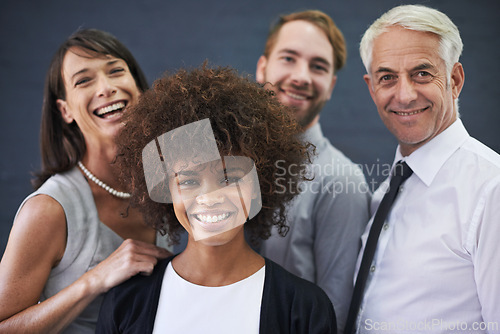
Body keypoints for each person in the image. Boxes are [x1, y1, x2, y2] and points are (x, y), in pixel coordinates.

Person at [96, 64, 337, 333]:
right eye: (188, 181)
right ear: (167, 191)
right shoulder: (127, 301)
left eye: (229, 178)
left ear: (258, 185)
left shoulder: (303, 308)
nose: (209, 198)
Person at [0, 29, 171, 333]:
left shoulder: (171, 182)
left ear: (138, 88)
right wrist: (93, 280)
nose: (106, 88)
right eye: (83, 80)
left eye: (116, 71)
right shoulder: (48, 210)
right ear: (65, 111)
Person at [346, 4, 500, 333]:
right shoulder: (388, 191)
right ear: (372, 88)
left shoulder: (491, 190)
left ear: (455, 79)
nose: (404, 94)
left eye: (422, 73)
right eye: (387, 77)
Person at [255, 9, 371, 332]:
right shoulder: (229, 159)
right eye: (289, 58)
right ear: (262, 66)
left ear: (331, 85)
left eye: (318, 67)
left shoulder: (341, 182)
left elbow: (334, 317)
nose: (302, 76)